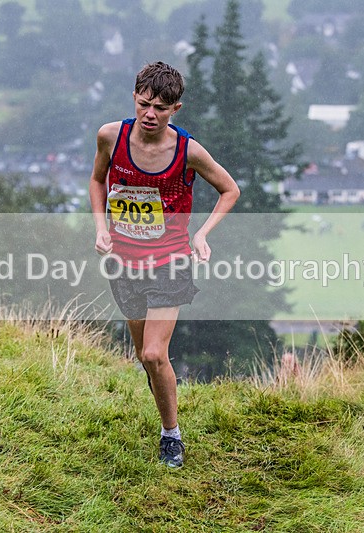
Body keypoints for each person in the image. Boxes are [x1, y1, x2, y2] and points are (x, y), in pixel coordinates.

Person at [89, 61, 240, 467]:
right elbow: (96, 181)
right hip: (123, 262)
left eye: (160, 107)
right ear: (135, 99)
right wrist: (101, 228)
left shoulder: (188, 150)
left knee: (156, 354)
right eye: (143, 104)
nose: (150, 114)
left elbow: (229, 190)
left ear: (176, 109)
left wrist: (202, 233)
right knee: (144, 356)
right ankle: (166, 414)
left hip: (170, 261)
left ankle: (171, 436)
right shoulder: (110, 136)